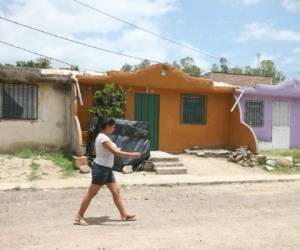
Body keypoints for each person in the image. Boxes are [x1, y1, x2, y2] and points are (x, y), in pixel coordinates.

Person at [75, 118, 141, 226]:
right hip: (101, 169)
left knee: (116, 192)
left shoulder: (103, 138)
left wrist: (111, 152)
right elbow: (115, 152)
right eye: (113, 127)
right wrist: (132, 154)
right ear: (108, 126)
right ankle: (79, 216)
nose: (114, 129)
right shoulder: (102, 138)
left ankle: (124, 214)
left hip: (106, 169)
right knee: (92, 193)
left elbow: (102, 151)